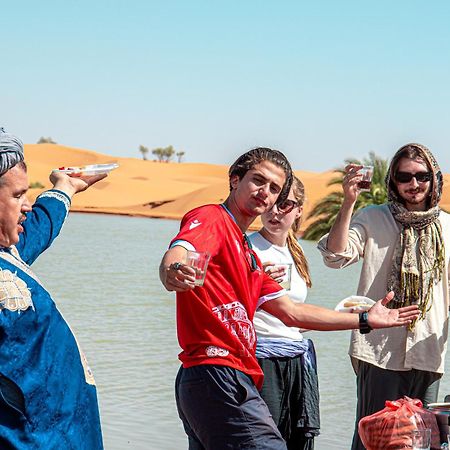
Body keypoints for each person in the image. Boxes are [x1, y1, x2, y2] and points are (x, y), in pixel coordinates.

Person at [159, 147, 419, 450]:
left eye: (274, 189)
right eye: (258, 181)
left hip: (220, 377)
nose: (265, 193)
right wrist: (172, 270)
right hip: (217, 372)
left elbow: (292, 313)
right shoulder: (214, 218)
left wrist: (364, 319)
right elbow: (182, 249)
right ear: (234, 179)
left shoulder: (249, 257)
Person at [317, 143, 450, 450]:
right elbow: (335, 255)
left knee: (422, 440)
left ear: (434, 178)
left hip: (429, 351)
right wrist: (348, 202)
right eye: (404, 176)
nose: (413, 184)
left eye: (421, 176)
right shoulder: (373, 218)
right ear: (393, 181)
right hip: (379, 350)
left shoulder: (446, 225)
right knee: (373, 439)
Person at [0, 127, 105, 449]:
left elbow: (41, 224)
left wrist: (65, 187)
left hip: (68, 435)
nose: (27, 205)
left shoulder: (9, 252)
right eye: (17, 196)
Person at [250, 175, 319, 449]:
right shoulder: (249, 247)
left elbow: (293, 314)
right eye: (271, 203)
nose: (275, 211)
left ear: (299, 210)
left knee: (296, 440)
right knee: (264, 439)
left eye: (286, 205)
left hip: (296, 358)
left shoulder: (295, 250)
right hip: (263, 357)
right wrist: (254, 282)